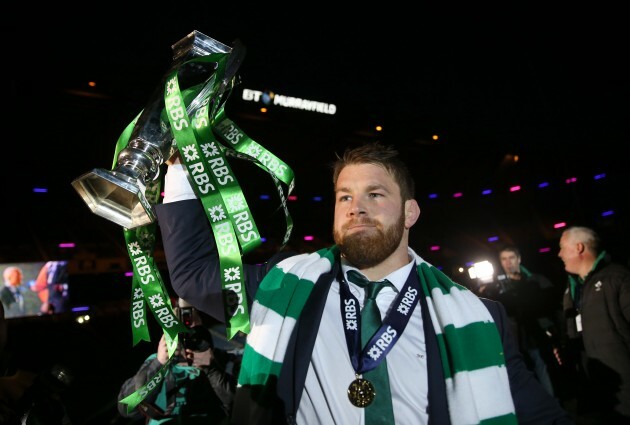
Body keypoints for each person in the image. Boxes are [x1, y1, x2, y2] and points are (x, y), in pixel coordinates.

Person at [156, 142, 573, 424]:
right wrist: (181, 165)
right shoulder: (286, 283)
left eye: (375, 195)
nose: (356, 208)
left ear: (410, 213)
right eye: (344, 196)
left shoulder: (478, 316)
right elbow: (193, 276)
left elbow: (537, 415)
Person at [117, 299, 237, 425]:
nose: (188, 336)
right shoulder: (156, 361)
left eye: (195, 330)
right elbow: (126, 408)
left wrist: (211, 369)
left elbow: (240, 405)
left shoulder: (220, 358)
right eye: (180, 331)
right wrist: (158, 364)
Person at [557, 226, 630, 423]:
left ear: (579, 248)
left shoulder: (617, 278)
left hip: (624, 392)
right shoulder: (572, 288)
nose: (559, 253)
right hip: (596, 391)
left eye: (563, 247)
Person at [476, 245, 560, 397]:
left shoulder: (536, 280)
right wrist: (484, 294)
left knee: (542, 367)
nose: (508, 263)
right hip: (512, 337)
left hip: (537, 334)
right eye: (504, 259)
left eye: (511, 258)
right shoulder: (495, 287)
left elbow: (551, 305)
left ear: (519, 259)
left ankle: (550, 404)